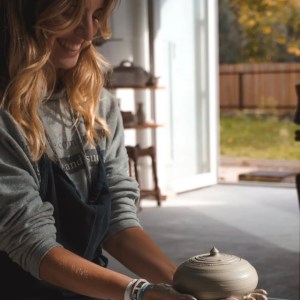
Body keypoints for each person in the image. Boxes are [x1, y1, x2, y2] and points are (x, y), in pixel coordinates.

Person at [0, 1, 268, 300]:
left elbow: (117, 221)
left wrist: (193, 289)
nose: (89, 31)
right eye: (70, 13)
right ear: (28, 13)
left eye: (96, 15)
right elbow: (30, 241)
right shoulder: (5, 117)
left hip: (88, 288)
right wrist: (138, 292)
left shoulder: (97, 104)